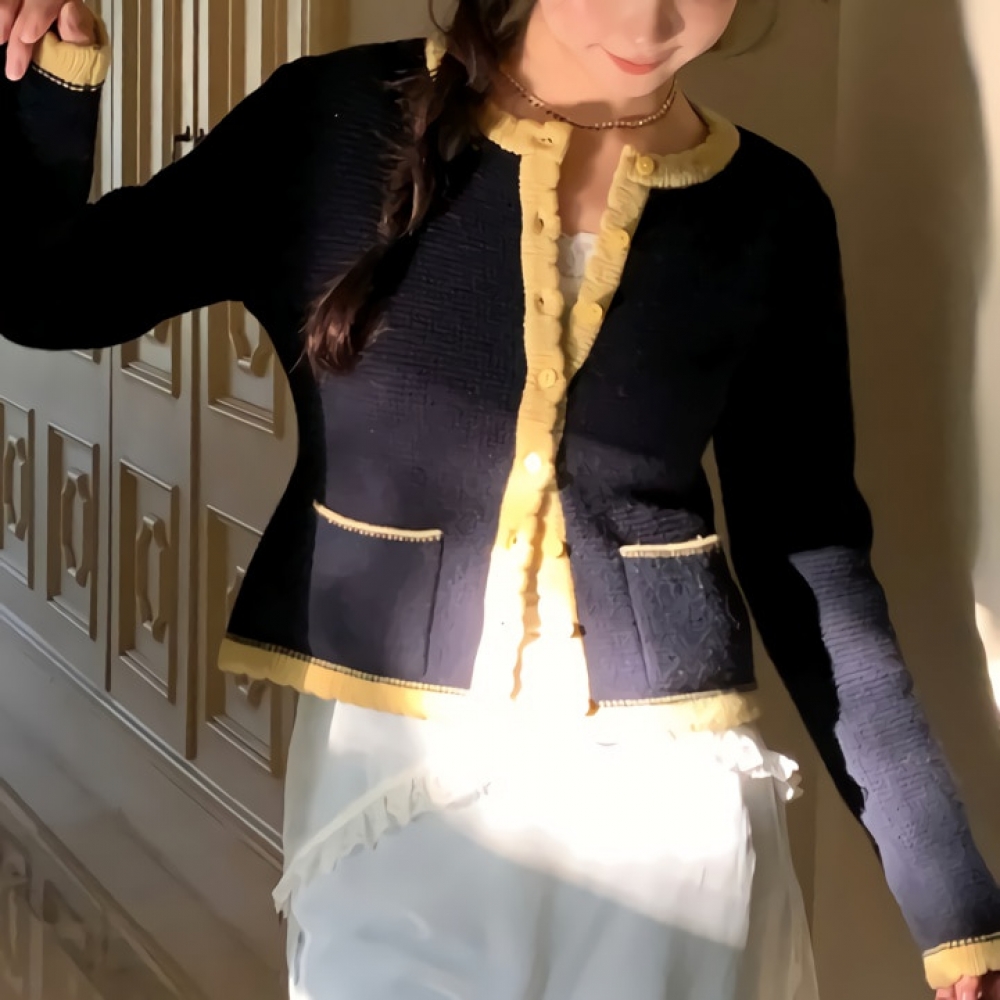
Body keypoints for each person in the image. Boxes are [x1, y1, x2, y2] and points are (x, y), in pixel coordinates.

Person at [2, 0, 999, 997]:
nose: (649, 19)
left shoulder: (771, 208)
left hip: (675, 809)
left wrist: (953, 901)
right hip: (389, 799)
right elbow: (47, 295)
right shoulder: (332, 123)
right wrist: (51, 76)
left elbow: (810, 554)